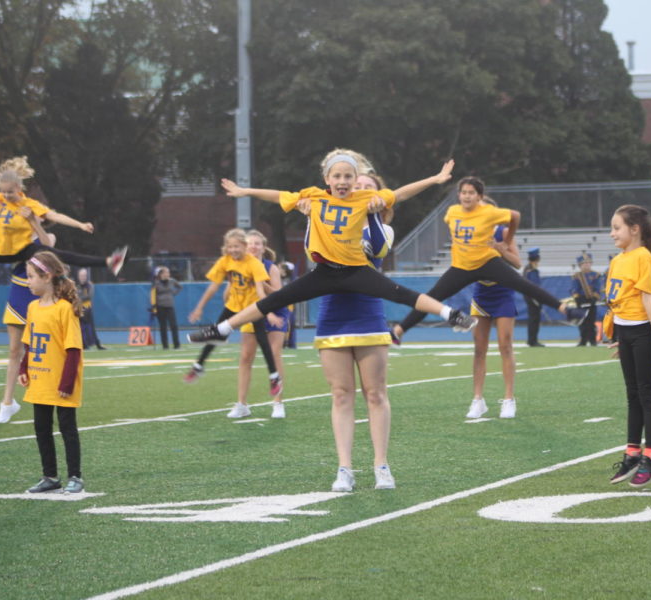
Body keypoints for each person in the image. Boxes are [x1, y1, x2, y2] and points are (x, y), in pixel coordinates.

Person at [188, 151, 477, 351]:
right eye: (337, 176)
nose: (342, 181)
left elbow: (400, 193)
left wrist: (434, 179)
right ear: (327, 179)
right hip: (325, 272)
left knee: (402, 294)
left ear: (355, 179)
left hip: (356, 270)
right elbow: (278, 196)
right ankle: (222, 330)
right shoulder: (311, 196)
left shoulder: (364, 198)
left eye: (348, 176)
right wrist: (245, 191)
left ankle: (452, 314)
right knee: (274, 300)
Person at [392, 176, 575, 342]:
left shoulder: (488, 212)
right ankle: (398, 331)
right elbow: (453, 228)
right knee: (430, 298)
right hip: (461, 267)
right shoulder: (452, 212)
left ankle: (563, 309)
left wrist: (507, 241)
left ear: (479, 196)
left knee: (523, 284)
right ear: (458, 195)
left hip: (487, 262)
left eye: (471, 193)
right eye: (463, 192)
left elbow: (515, 216)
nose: (467, 196)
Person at [315, 164, 399, 492]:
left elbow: (373, 249)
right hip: (333, 311)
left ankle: (381, 465)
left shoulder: (382, 230)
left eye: (366, 186)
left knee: (375, 393)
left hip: (367, 311)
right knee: (340, 394)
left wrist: (373, 213)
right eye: (354, 183)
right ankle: (344, 469)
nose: (355, 187)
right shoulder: (325, 214)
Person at [604, 205, 651, 488]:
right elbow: (618, 300)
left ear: (635, 230)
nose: (612, 234)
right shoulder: (619, 259)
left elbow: (647, 300)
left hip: (643, 332)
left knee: (646, 393)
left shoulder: (643, 257)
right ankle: (632, 453)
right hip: (626, 331)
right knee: (632, 394)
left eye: (616, 227)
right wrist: (618, 335)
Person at [184, 228, 282, 418]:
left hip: (253, 307)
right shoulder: (225, 261)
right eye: (230, 247)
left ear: (244, 247)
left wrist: (268, 313)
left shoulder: (254, 264)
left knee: (263, 342)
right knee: (215, 333)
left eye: (237, 246)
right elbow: (214, 287)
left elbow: (262, 293)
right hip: (234, 305)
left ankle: (274, 377)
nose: (233, 250)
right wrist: (199, 307)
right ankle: (199, 365)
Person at [0, 156, 127, 274]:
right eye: (3, 191)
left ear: (19, 188)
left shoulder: (30, 204)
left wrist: (80, 224)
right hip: (2, 251)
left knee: (62, 255)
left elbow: (56, 217)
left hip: (26, 250)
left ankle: (110, 261)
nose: (6, 195)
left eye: (10, 192)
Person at [17, 250, 86, 493]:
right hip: (40, 380)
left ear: (46, 276)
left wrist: (66, 383)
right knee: (42, 429)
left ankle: (75, 477)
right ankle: (50, 476)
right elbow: (30, 342)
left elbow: (74, 350)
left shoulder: (64, 309)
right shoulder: (33, 307)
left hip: (61, 382)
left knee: (68, 429)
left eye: (31, 276)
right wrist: (24, 368)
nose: (28, 281)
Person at [0, 208, 56, 424]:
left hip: (40, 295)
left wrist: (33, 222)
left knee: (41, 350)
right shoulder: (15, 236)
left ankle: (48, 395)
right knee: (14, 350)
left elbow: (47, 247)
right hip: (18, 293)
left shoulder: (48, 235)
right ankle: (7, 403)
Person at [467, 197, 521, 420]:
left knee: (505, 345)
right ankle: (478, 399)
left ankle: (509, 399)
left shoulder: (503, 232)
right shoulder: (470, 233)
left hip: (502, 296)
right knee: (479, 349)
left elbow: (517, 263)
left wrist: (501, 250)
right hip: (481, 296)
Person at [242, 230, 289, 419]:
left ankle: (278, 403)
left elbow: (278, 294)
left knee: (274, 355)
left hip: (275, 313)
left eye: (256, 243)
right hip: (253, 314)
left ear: (263, 247)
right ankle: (242, 404)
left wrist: (261, 281)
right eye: (249, 243)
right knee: (246, 357)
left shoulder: (271, 267)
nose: (253, 246)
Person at [570, 252, 603, 346]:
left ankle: (593, 340)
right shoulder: (577, 276)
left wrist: (594, 298)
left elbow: (598, 288)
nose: (587, 265)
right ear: (580, 265)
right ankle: (583, 340)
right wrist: (578, 299)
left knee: (591, 321)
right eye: (584, 263)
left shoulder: (596, 275)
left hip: (592, 302)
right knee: (582, 322)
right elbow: (574, 289)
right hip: (581, 301)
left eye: (588, 263)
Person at [151, 266, 181, 350]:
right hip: (160, 307)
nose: (168, 274)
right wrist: (154, 306)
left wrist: (173, 293)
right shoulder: (156, 283)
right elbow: (153, 295)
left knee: (173, 325)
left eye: (168, 272)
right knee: (163, 326)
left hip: (170, 306)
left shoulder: (172, 281)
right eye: (166, 272)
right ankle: (165, 345)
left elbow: (179, 287)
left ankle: (177, 345)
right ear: (161, 274)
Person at [76, 268, 105, 350]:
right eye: (81, 275)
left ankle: (97, 344)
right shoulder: (76, 285)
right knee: (80, 328)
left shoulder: (90, 285)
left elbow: (89, 296)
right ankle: (83, 344)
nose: (83, 277)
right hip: (78, 309)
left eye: (84, 275)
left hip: (87, 309)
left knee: (91, 327)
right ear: (78, 276)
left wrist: (78, 299)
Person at [522, 248, 544, 347]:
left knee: (535, 319)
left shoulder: (530, 269)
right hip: (532, 297)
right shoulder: (530, 270)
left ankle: (533, 339)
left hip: (534, 297)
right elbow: (532, 286)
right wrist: (535, 298)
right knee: (534, 319)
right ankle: (532, 340)